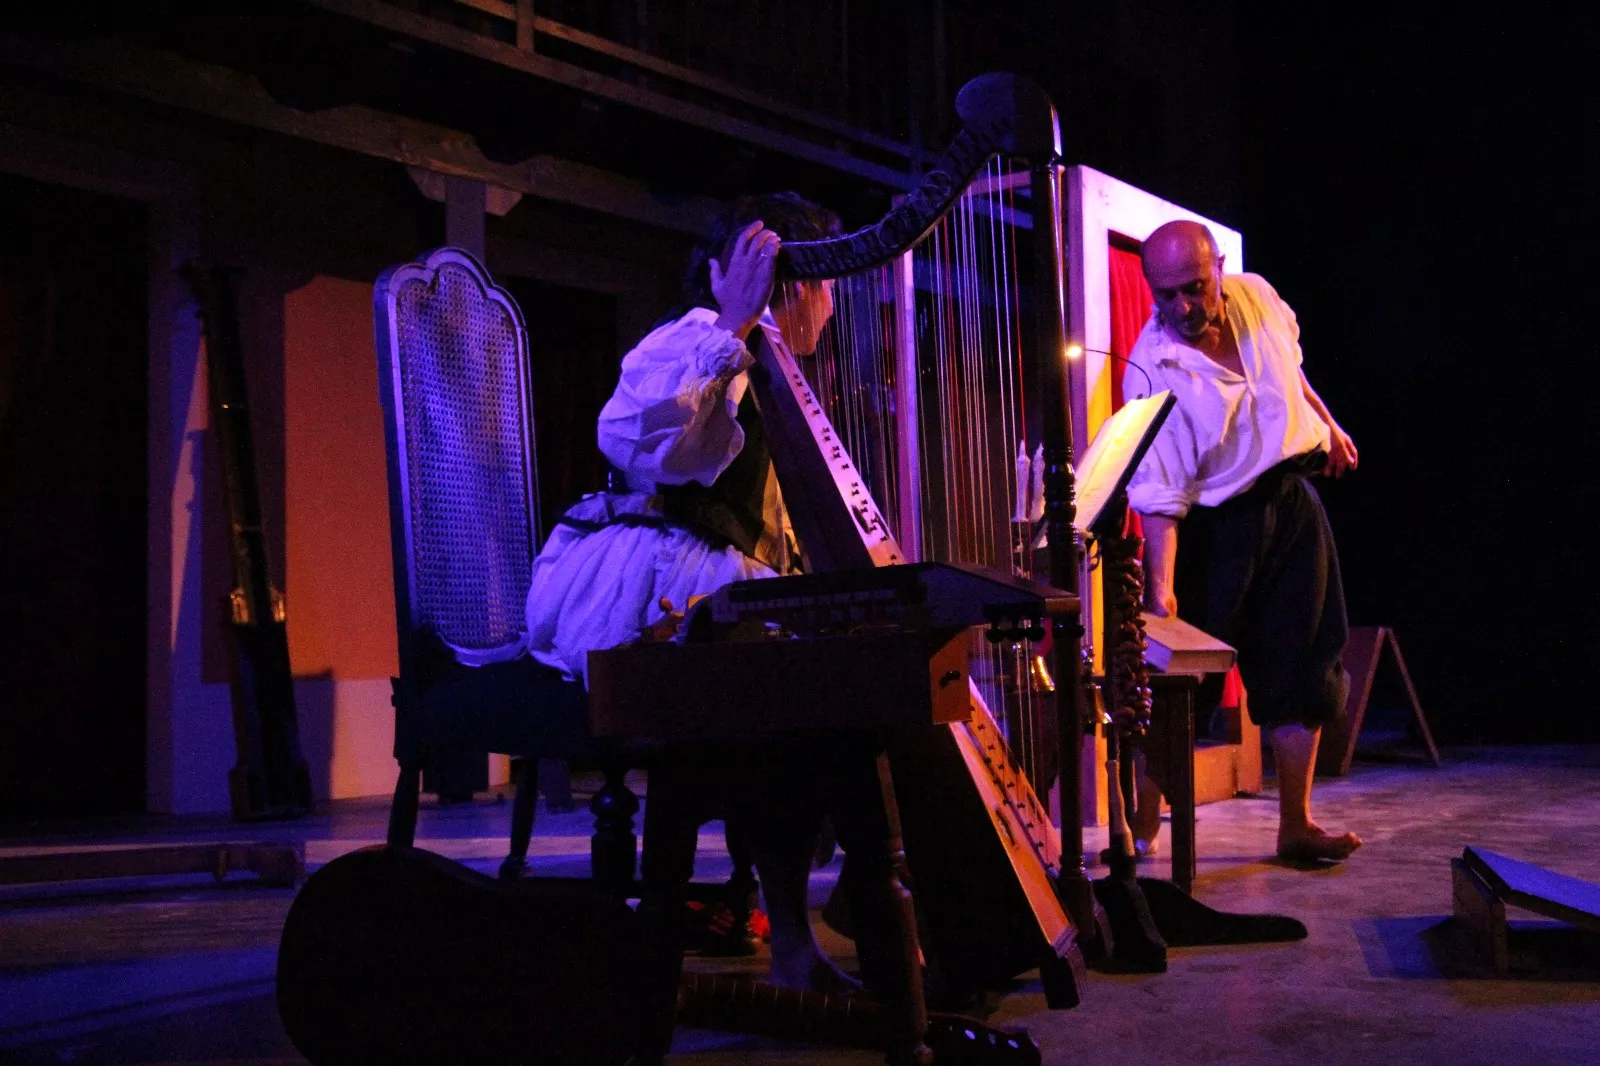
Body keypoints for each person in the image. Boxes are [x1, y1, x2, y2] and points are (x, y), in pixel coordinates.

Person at [523, 192, 860, 991]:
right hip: (652, 590)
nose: (834, 304)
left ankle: (827, 919)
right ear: (790, 283)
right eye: (824, 282)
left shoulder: (777, 371)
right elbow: (649, 444)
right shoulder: (693, 341)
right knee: (789, 690)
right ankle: (794, 941)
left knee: (839, 674)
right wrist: (732, 327)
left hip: (720, 583)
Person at [1123, 220, 1363, 864]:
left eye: (1195, 289)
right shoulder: (1153, 369)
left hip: (1290, 504)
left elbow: (1290, 371)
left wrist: (1327, 425)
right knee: (1179, 685)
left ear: (1219, 270)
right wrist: (1161, 594)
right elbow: (1160, 495)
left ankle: (1296, 825)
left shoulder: (1257, 297)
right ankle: (1142, 828)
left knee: (1305, 664)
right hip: (1214, 529)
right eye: (1165, 294)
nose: (1182, 307)